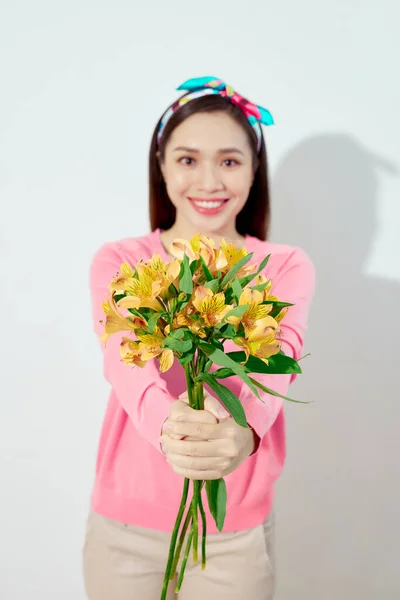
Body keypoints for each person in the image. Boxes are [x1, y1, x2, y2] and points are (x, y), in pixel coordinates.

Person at [82, 76, 315, 600]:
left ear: (255, 172)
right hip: (123, 528)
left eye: (230, 161)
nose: (209, 180)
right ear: (160, 166)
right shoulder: (121, 261)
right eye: (187, 160)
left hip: (233, 535)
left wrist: (245, 432)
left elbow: (279, 357)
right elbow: (122, 355)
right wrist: (165, 424)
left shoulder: (284, 266)